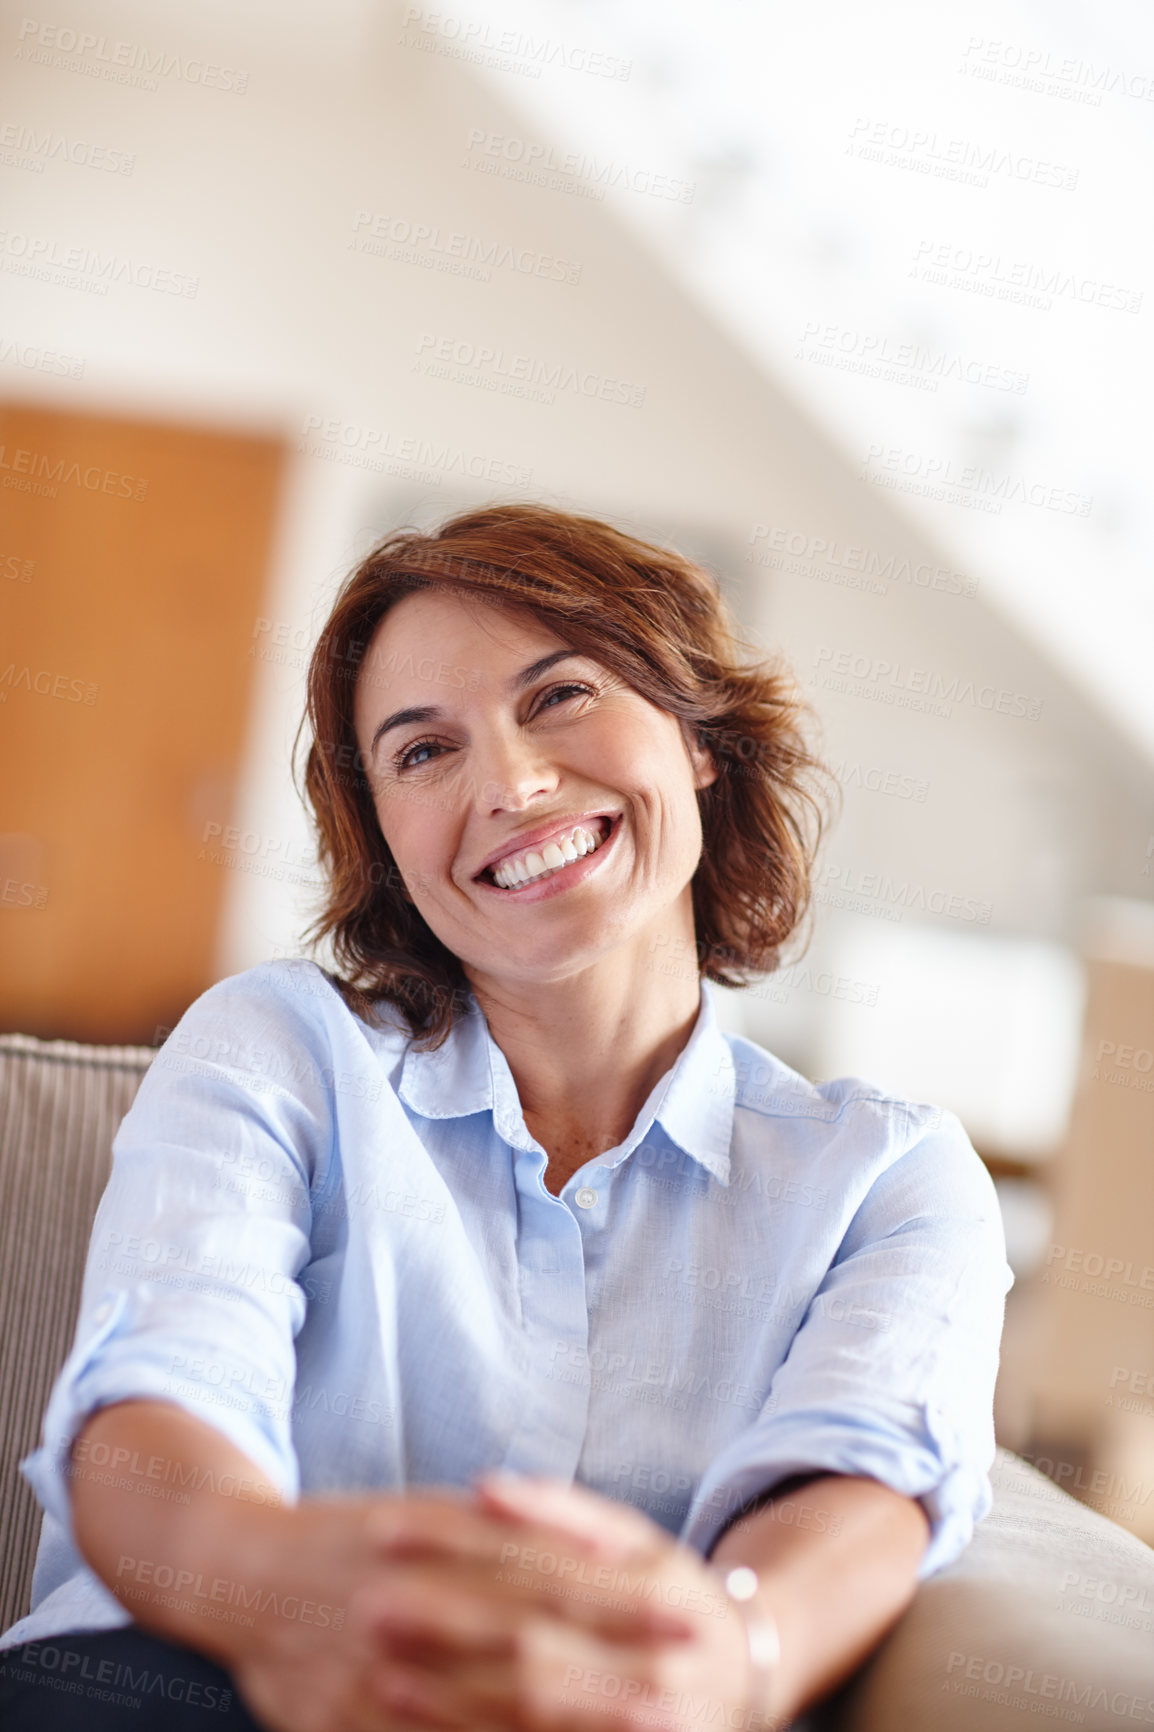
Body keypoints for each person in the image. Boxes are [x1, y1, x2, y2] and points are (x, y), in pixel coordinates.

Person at [0, 502, 1014, 1731]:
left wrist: (728, 1652)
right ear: (383, 836)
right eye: (423, 752)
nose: (514, 784)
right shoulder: (281, 1048)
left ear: (697, 736)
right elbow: (152, 1413)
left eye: (560, 696)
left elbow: (861, 1480)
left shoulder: (886, 1173)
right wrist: (287, 1595)